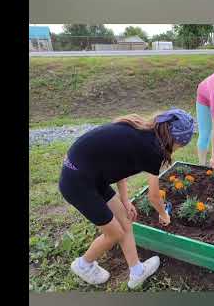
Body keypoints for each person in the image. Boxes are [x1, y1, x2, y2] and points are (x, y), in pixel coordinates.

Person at [58, 109, 195, 288]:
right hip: (77, 182)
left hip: (91, 174)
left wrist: (125, 200)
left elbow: (119, 165)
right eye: (180, 146)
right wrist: (164, 214)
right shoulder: (154, 150)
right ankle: (83, 265)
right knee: (115, 233)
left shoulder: (143, 129)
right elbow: (154, 196)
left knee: (125, 219)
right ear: (175, 140)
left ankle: (137, 271)